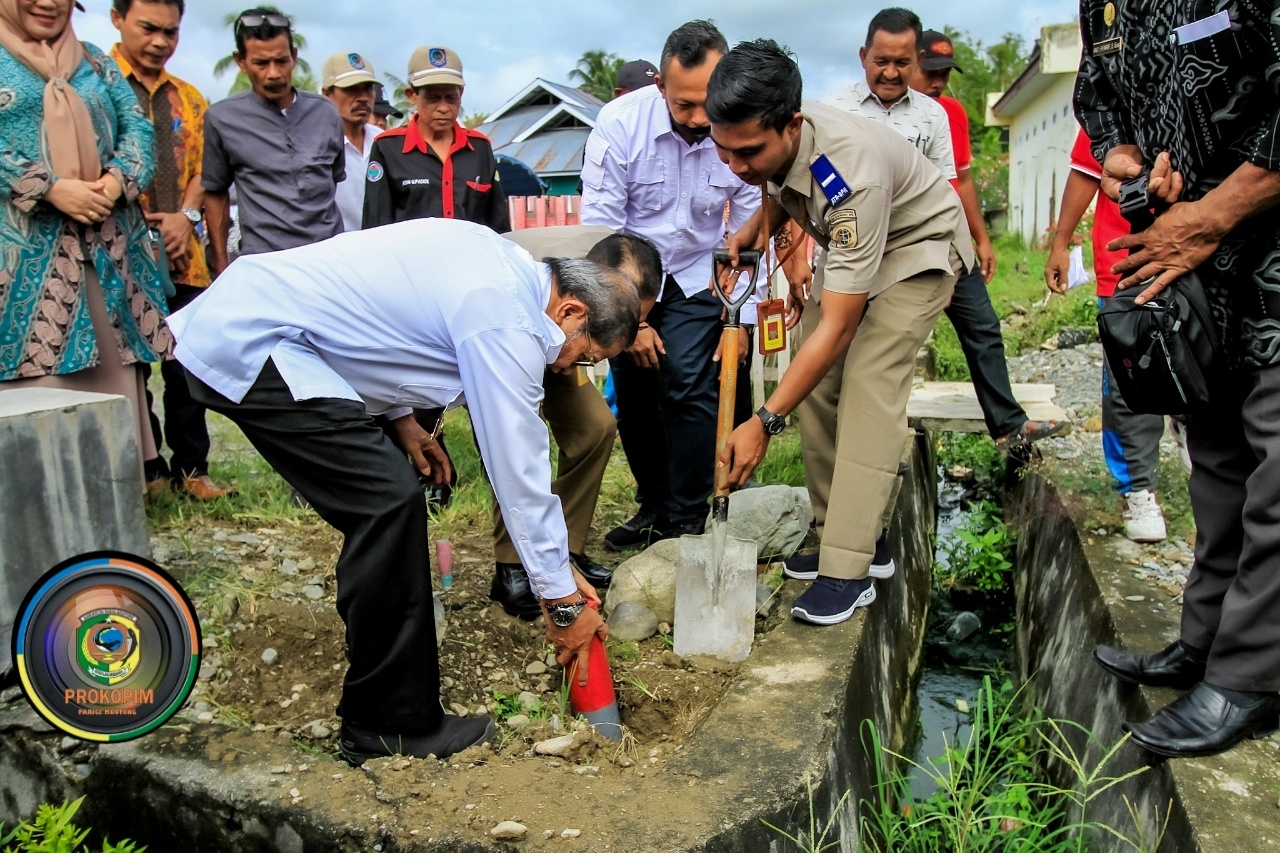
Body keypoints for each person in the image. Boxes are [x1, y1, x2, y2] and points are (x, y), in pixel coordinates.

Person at [168, 218, 640, 765]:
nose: (570, 367)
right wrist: (559, 600)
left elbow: (377, 324)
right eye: (584, 356)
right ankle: (385, 723)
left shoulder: (500, 265)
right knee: (387, 504)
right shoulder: (506, 317)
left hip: (279, 331)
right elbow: (517, 462)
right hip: (259, 340)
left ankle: (382, 688)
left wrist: (401, 421)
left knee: (387, 500)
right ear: (572, 312)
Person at [707, 39, 972, 626]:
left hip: (917, 249)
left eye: (748, 152)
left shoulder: (852, 175)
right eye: (724, 152)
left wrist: (764, 421)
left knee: (869, 385)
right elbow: (780, 184)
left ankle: (849, 571)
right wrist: (756, 228)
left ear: (791, 124)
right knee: (817, 383)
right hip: (854, 249)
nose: (737, 166)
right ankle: (843, 533)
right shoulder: (777, 138)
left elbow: (842, 324)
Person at [1077, 0, 1280, 759]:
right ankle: (1207, 642)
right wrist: (1125, 163)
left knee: (1277, 464)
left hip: (1263, 245)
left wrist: (1215, 212)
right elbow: (1104, 102)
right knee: (1219, 457)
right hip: (1195, 263)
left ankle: (1253, 675)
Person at [824, 12, 1063, 454]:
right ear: (863, 57)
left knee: (983, 326)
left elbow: (946, 189)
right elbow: (818, 188)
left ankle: (1008, 426)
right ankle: (863, 441)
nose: (891, 72)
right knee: (868, 347)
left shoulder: (934, 115)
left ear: (911, 60)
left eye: (901, 62)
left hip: (933, 239)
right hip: (868, 250)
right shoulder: (835, 112)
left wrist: (957, 256)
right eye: (881, 61)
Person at [582, 20, 762, 551]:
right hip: (628, 276)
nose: (700, 118)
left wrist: (742, 320)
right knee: (635, 395)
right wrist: (628, 319)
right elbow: (602, 231)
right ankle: (654, 506)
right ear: (659, 85)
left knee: (687, 384)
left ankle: (687, 518)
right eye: (685, 105)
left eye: (709, 102)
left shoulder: (738, 123)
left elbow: (753, 228)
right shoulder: (618, 125)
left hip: (697, 275)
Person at [0, 0, 173, 491]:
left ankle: (114, 488)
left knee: (109, 363)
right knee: (32, 379)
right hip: (22, 257)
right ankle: (35, 497)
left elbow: (138, 129)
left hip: (102, 250)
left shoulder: (95, 62)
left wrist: (115, 183)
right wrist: (49, 187)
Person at [489, 226, 664, 619]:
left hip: (570, 339)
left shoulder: (632, 256)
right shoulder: (525, 268)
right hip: (507, 335)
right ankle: (512, 565)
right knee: (514, 441)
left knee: (595, 428)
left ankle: (563, 553)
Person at [109, 0, 235, 502]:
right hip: (122, 246)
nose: (161, 40)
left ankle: (193, 468)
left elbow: (205, 171)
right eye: (149, 28)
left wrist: (185, 217)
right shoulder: (99, 87)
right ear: (117, 19)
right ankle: (147, 469)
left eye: (171, 31)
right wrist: (144, 224)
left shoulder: (190, 97)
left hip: (185, 251)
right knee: (130, 365)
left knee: (186, 366)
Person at [1044, 128, 1167, 543]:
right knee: (1127, 378)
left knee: (1198, 358)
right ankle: (1137, 487)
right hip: (1125, 259)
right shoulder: (1111, 103)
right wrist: (1060, 243)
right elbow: (1084, 172)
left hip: (1200, 248)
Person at [202, 7, 344, 276]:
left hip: (329, 265)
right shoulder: (221, 119)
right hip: (265, 269)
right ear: (240, 61)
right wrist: (221, 267)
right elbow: (215, 192)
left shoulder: (326, 112)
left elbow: (331, 182)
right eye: (261, 63)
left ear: (294, 56)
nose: (273, 73)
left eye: (281, 61)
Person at [362, 45, 507, 232]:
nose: (443, 108)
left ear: (461, 94)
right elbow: (376, 223)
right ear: (412, 96)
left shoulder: (480, 149)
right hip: (411, 259)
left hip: (469, 259)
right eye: (433, 98)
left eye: (451, 98)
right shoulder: (388, 149)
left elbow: (498, 223)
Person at [321, 50, 381, 232]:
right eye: (351, 89)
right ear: (326, 94)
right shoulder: (317, 146)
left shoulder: (383, 140)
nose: (362, 98)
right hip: (336, 251)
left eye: (367, 88)